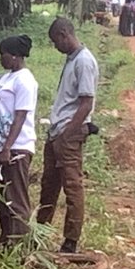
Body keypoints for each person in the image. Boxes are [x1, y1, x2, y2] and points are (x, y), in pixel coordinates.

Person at [37, 18, 98, 254]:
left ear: (64, 34)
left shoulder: (84, 61)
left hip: (68, 134)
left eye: (55, 41)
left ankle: (71, 240)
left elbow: (86, 103)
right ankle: (40, 232)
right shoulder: (72, 60)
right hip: (58, 132)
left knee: (72, 187)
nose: (55, 47)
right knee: (48, 185)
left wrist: (66, 135)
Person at [0, 35, 39, 249]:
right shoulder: (7, 78)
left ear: (15, 56)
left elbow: (20, 116)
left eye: (3, 55)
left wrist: (8, 146)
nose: (1, 58)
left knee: (16, 197)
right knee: (1, 198)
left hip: (16, 148)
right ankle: (6, 241)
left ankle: (20, 246)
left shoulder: (25, 81)